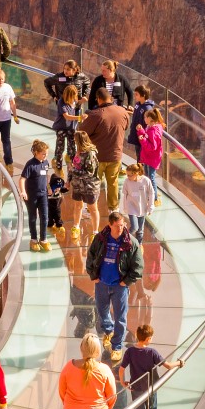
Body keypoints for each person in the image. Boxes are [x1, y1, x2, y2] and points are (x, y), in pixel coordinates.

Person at [85, 211, 143, 360]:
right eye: (117, 226)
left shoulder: (131, 242)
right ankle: (109, 331)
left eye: (122, 225)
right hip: (102, 284)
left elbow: (138, 266)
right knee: (102, 311)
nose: (121, 228)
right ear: (110, 224)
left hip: (120, 286)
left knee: (120, 317)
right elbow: (91, 255)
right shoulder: (100, 238)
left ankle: (117, 346)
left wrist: (126, 282)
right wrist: (93, 275)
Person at [120, 323, 181, 409]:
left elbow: (121, 369)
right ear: (148, 339)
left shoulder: (130, 351)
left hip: (136, 388)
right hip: (150, 388)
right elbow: (168, 366)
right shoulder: (152, 352)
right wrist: (179, 363)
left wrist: (123, 382)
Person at [78, 86, 131, 212]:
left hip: (97, 157)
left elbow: (81, 133)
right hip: (115, 154)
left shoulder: (95, 115)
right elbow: (126, 127)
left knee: (94, 182)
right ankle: (114, 209)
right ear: (110, 98)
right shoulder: (123, 112)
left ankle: (90, 207)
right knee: (113, 182)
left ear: (98, 99)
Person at [68, 133, 101, 240]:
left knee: (93, 209)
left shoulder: (90, 154)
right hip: (77, 185)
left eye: (75, 139)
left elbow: (89, 173)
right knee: (77, 206)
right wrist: (69, 181)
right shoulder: (76, 151)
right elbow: (72, 166)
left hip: (89, 186)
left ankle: (95, 232)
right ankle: (76, 226)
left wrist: (73, 170)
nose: (73, 141)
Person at [21, 139, 52, 252]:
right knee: (33, 217)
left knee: (44, 217)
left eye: (46, 154)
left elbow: (46, 176)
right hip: (32, 195)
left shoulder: (46, 163)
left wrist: (48, 187)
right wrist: (23, 191)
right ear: (36, 153)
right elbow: (22, 179)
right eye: (43, 154)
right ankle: (33, 239)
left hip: (43, 194)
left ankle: (43, 239)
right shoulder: (30, 164)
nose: (45, 156)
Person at [137, 104, 166, 204]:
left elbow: (152, 147)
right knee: (148, 176)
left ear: (150, 118)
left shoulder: (153, 131)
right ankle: (150, 194)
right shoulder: (151, 127)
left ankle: (154, 198)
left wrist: (143, 140)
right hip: (150, 157)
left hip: (151, 158)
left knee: (151, 177)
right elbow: (146, 137)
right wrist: (140, 131)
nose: (144, 119)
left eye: (145, 117)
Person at [53, 82, 84, 166]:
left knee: (72, 146)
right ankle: (58, 164)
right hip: (61, 127)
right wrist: (79, 118)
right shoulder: (61, 102)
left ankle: (73, 164)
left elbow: (76, 104)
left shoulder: (73, 101)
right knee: (60, 146)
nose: (74, 98)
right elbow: (67, 116)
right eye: (73, 96)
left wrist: (82, 101)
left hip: (71, 127)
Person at [120, 162, 153, 242]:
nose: (128, 177)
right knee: (135, 227)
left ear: (137, 173)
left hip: (142, 207)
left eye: (130, 175)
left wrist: (150, 206)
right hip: (131, 207)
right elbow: (125, 195)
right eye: (127, 175)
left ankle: (138, 245)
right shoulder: (127, 181)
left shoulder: (145, 181)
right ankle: (124, 240)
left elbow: (151, 193)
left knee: (140, 230)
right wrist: (124, 207)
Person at [128, 85, 154, 163]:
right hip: (137, 134)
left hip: (142, 138)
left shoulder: (147, 109)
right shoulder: (137, 104)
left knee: (141, 158)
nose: (135, 96)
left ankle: (140, 172)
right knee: (138, 155)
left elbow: (148, 124)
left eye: (136, 94)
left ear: (143, 95)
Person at [47, 158, 69, 245]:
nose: (57, 189)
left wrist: (66, 188)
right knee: (50, 215)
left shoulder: (59, 188)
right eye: (55, 187)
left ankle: (59, 225)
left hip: (57, 204)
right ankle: (50, 224)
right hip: (50, 204)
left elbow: (63, 190)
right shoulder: (49, 189)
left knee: (58, 215)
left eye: (58, 187)